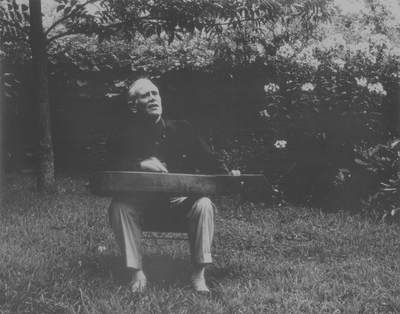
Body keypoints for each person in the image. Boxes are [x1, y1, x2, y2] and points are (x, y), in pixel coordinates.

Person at [106, 78, 239, 294]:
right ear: (133, 106)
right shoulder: (121, 135)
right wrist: (138, 165)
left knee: (204, 204)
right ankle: (137, 274)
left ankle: (198, 274)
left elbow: (212, 163)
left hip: (180, 206)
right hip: (141, 206)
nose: (153, 98)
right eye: (145, 95)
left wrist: (228, 176)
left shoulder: (183, 129)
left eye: (155, 93)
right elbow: (104, 169)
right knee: (119, 205)